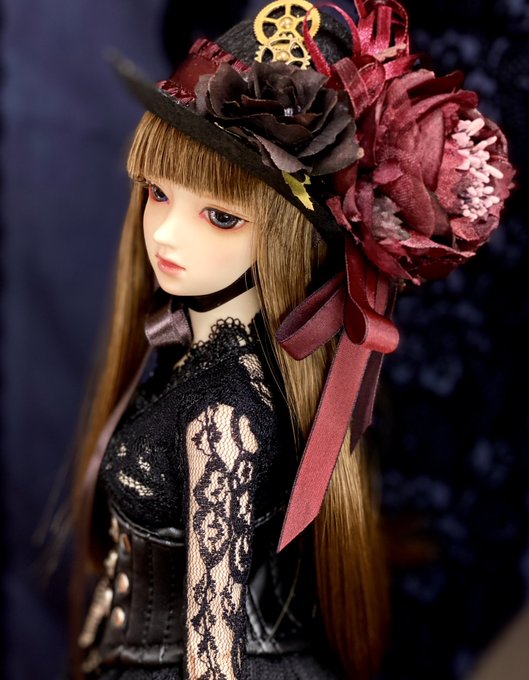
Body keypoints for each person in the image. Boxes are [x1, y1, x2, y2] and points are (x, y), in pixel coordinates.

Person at [70, 1, 514, 679]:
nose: (165, 233)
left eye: (220, 216)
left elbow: (212, 654)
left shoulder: (226, 409)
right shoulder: (193, 363)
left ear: (285, 235)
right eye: (157, 193)